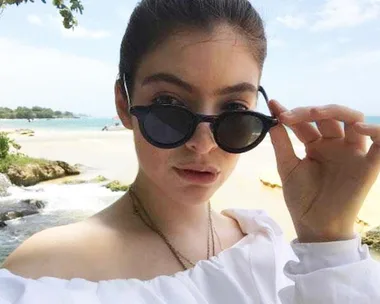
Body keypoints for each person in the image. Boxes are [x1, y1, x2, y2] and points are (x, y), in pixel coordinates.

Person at [1, 0, 380, 303]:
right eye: (168, 104)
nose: (204, 143)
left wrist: (327, 238)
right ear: (123, 103)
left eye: (234, 111)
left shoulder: (266, 245)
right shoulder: (43, 273)